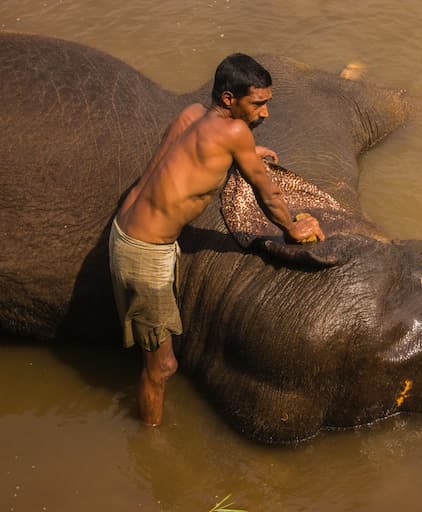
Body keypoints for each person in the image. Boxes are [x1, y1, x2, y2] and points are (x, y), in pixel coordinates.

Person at [108, 53, 325, 427]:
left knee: (156, 357)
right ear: (229, 99)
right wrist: (292, 227)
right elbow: (268, 193)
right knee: (161, 367)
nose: (265, 113)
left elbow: (183, 157)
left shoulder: (191, 115)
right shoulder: (234, 134)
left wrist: (242, 153)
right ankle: (150, 446)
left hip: (124, 234)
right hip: (146, 255)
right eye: (258, 103)